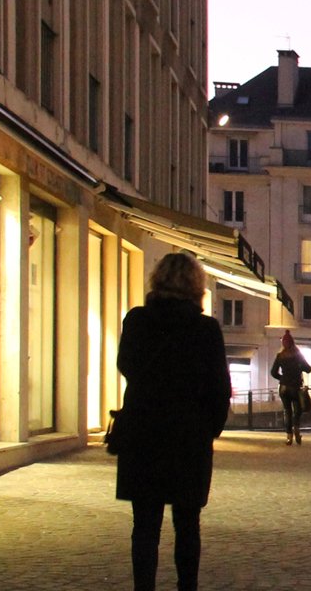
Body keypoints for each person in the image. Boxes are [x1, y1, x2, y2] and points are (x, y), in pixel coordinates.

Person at [115, 252, 230, 591]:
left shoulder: (137, 321)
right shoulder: (206, 329)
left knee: (145, 526)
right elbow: (219, 389)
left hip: (143, 433)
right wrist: (207, 429)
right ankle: (186, 587)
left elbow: (127, 365)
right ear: (197, 287)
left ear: (157, 280)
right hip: (187, 438)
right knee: (187, 524)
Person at [271, 331, 311, 445]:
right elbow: (308, 369)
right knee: (297, 410)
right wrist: (300, 368)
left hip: (283, 388)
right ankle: (297, 429)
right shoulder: (297, 355)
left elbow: (273, 372)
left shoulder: (280, 356)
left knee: (287, 411)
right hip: (295, 387)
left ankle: (289, 436)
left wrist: (282, 378)